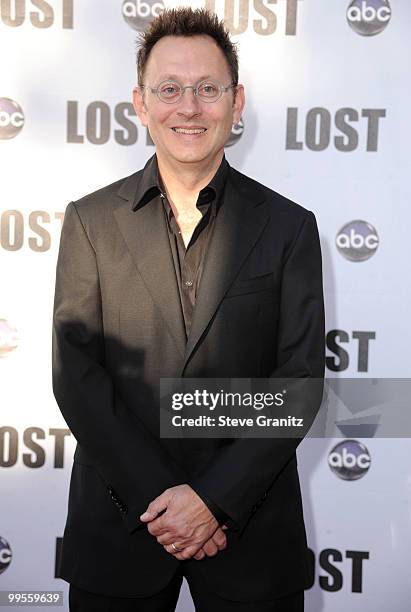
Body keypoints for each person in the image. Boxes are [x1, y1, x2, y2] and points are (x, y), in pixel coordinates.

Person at [52, 7, 325, 612]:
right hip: (122, 530)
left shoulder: (288, 227)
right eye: (169, 89)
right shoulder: (90, 223)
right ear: (140, 103)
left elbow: (299, 383)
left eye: (208, 88)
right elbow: (78, 376)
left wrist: (214, 500)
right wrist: (162, 498)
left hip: (249, 534)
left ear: (237, 101)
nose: (190, 107)